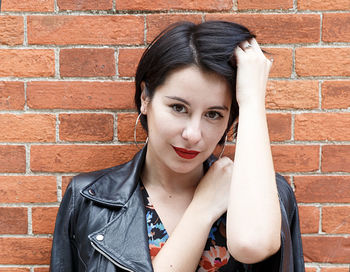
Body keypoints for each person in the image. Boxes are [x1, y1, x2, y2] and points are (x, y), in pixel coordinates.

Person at [50, 21, 305, 272]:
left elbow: (252, 243)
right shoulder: (89, 200)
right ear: (145, 99)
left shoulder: (265, 196)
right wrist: (204, 208)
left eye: (213, 114)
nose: (193, 135)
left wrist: (251, 101)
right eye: (178, 108)